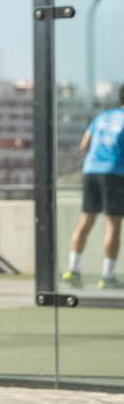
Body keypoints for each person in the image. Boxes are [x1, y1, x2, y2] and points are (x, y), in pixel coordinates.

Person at [63, 85, 124, 290]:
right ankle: (106, 276)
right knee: (113, 225)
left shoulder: (102, 117)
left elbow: (84, 145)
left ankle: (73, 269)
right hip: (115, 173)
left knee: (86, 221)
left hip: (91, 171)